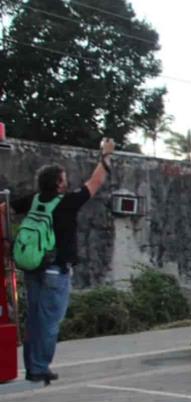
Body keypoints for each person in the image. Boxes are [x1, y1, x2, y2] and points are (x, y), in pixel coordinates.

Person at [10, 138, 114, 383]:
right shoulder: (66, 202)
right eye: (64, 177)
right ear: (59, 183)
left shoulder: (34, 200)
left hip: (32, 268)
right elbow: (96, 182)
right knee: (49, 322)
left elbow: (4, 209)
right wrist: (106, 155)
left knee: (34, 319)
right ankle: (39, 368)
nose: (67, 181)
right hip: (55, 272)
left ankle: (32, 365)